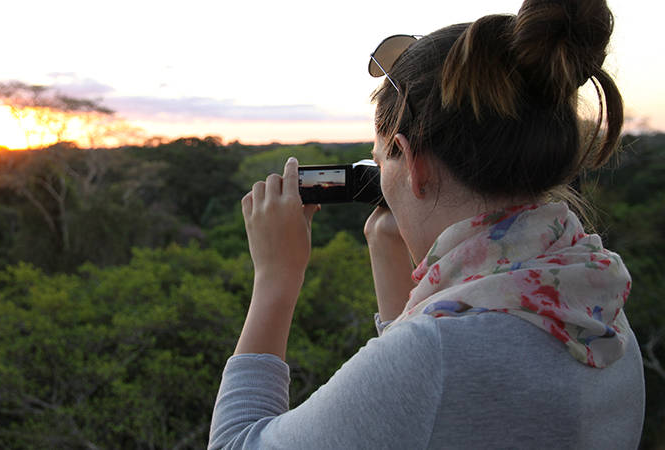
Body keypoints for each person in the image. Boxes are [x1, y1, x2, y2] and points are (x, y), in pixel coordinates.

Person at [209, 0, 645, 448]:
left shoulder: (434, 354)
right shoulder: (599, 302)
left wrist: (275, 278)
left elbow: (234, 443)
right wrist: (388, 250)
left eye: (381, 161)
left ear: (414, 166)